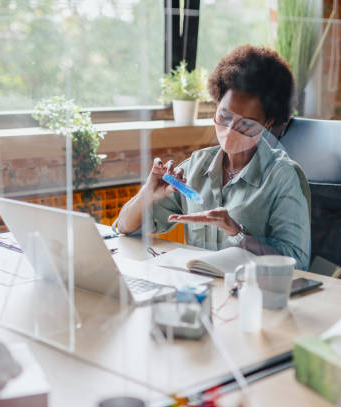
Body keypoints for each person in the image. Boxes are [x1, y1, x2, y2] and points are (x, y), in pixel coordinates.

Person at [117, 45, 311, 270]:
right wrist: (147, 193)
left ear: (267, 124)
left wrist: (237, 233)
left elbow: (298, 264)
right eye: (224, 116)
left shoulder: (283, 177)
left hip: (251, 294)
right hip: (200, 288)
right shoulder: (196, 167)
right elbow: (125, 228)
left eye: (246, 124)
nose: (229, 132)